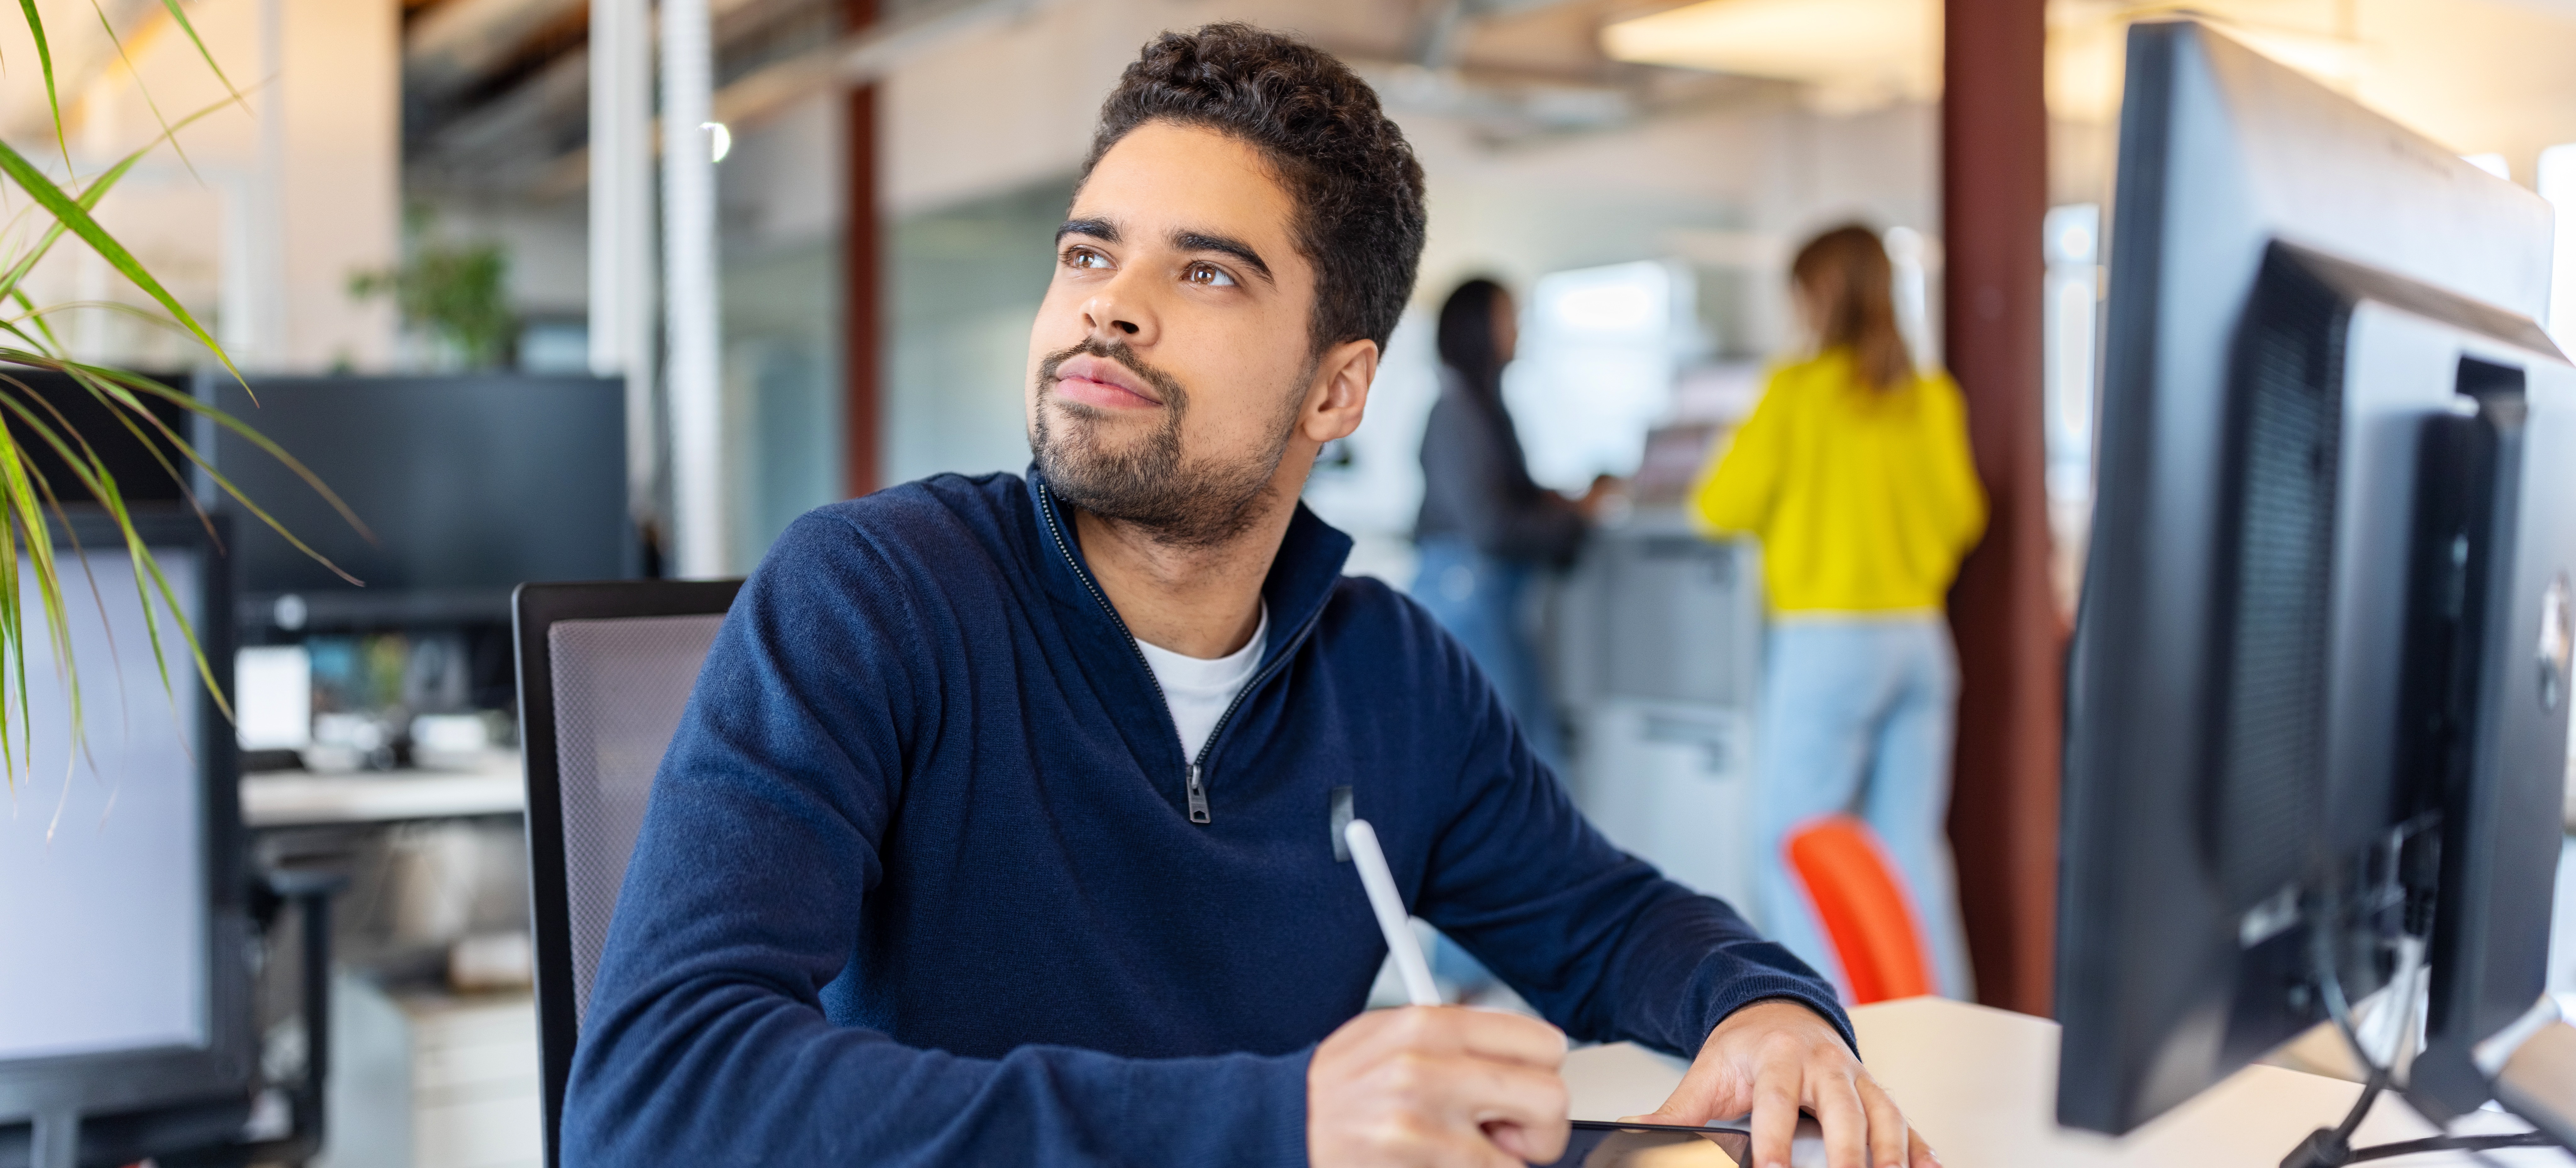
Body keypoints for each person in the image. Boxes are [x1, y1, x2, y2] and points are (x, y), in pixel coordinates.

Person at [566, 28, 1938, 1168]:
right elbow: (656, 1098)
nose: (1110, 307)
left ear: (1336, 388)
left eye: (1204, 271)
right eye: (1088, 254)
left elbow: (1611, 920)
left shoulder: (1388, 670)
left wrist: (1767, 1006)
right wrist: (1276, 1120)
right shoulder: (873, 595)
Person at [1691, 224, 1988, 1002]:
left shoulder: (1799, 390)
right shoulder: (1929, 395)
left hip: (1828, 642)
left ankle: (1821, 1023)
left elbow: (1720, 505)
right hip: (1919, 640)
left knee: (1794, 844)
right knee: (1909, 852)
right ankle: (1942, 1022)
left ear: (1816, 295)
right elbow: (1963, 517)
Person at [1411, 277, 1606, 772]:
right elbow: (1492, 526)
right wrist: (1573, 519)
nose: (1519, 329)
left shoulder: (1485, 406)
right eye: (1509, 317)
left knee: (1519, 754)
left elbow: (1503, 498)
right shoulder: (1457, 411)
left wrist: (1559, 503)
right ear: (1479, 327)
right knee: (1510, 761)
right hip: (1469, 596)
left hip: (1482, 594)